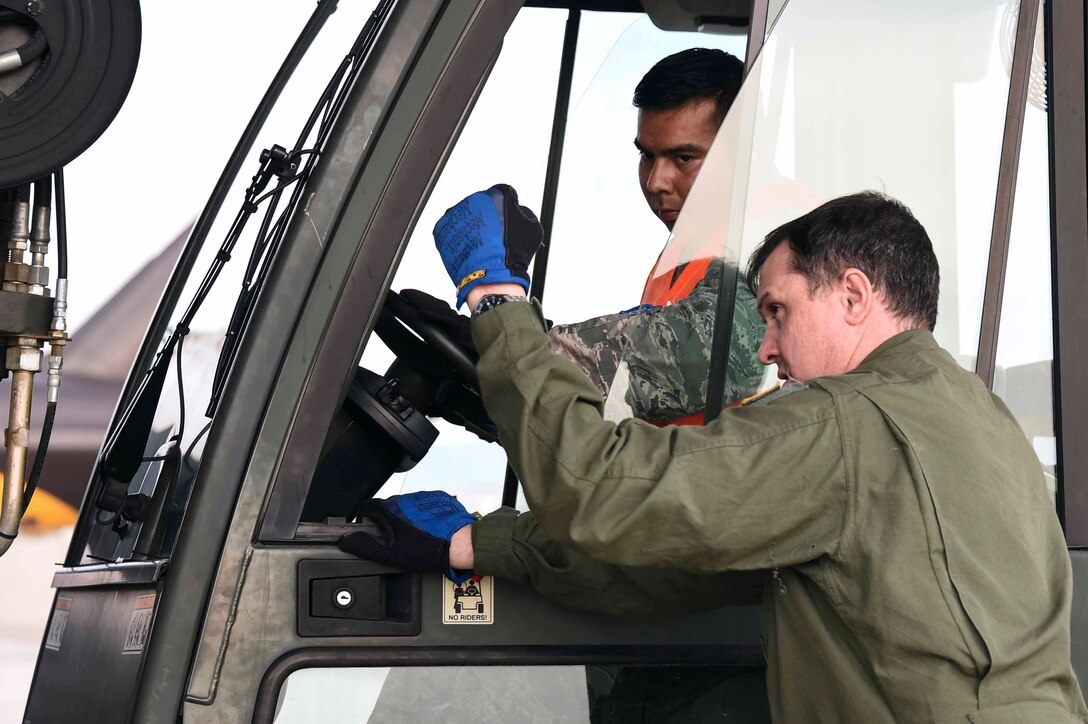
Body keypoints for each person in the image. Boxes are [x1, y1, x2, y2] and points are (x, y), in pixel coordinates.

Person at [344, 188, 1088, 722]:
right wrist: (483, 542)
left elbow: (598, 488)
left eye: (776, 312)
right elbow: (691, 562)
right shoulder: (973, 418)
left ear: (854, 296)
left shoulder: (848, 428)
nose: (766, 348)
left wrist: (497, 301)